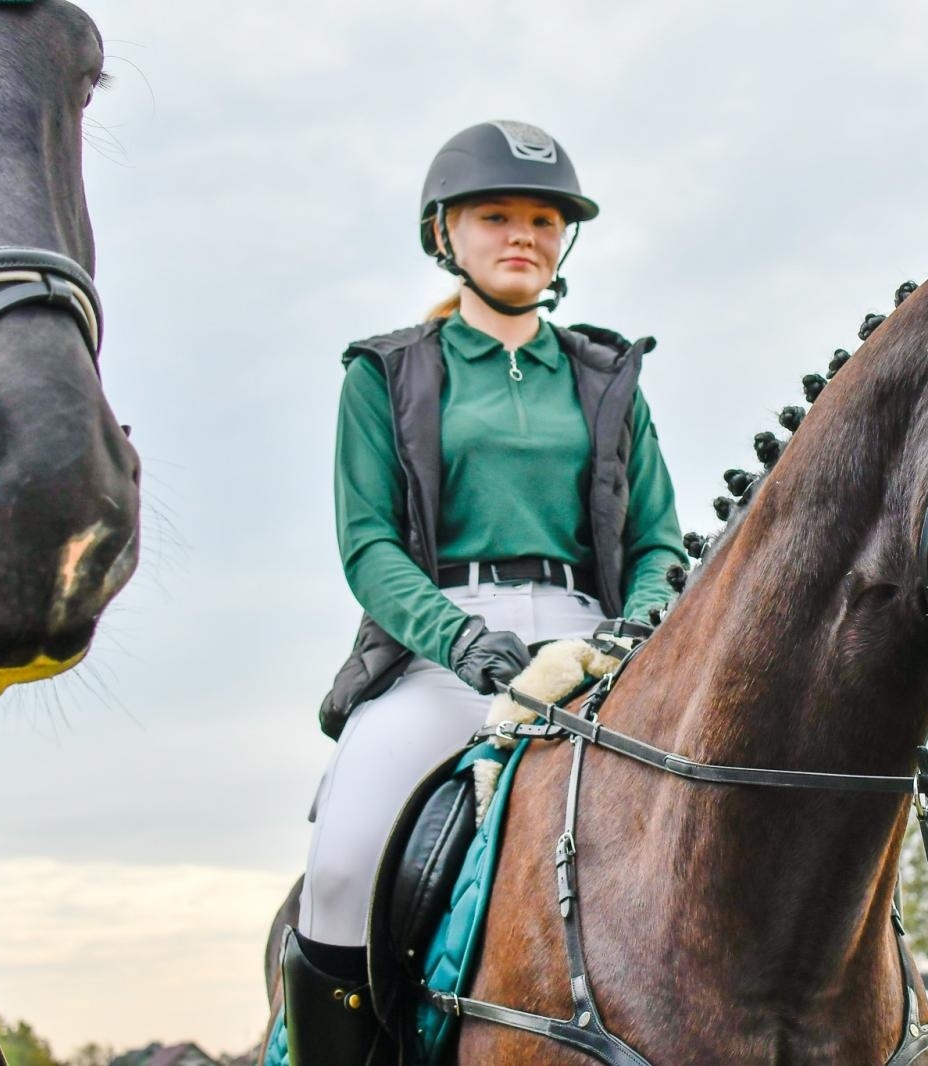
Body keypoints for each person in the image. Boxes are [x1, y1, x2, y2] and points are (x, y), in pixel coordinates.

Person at [281, 119, 685, 1064]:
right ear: (443, 235)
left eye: (545, 220)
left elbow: (659, 540)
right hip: (442, 651)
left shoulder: (608, 378)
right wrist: (477, 651)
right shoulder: (384, 373)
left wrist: (629, 632)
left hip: (596, 648)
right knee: (339, 868)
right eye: (496, 215)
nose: (524, 236)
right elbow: (369, 547)